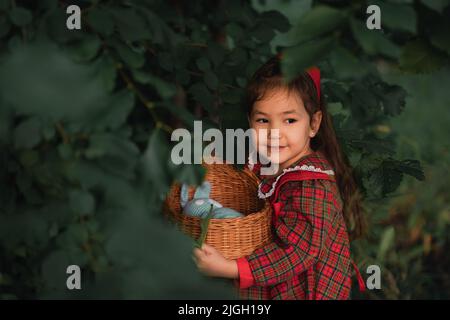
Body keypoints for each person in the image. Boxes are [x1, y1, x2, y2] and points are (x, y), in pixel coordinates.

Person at [192, 55, 367, 299]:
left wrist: (230, 268)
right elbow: (247, 189)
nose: (275, 133)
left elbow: (297, 251)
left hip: (303, 289)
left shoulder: (312, 186)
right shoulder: (270, 163)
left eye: (289, 120)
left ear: (314, 124)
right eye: (263, 120)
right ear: (250, 122)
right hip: (270, 281)